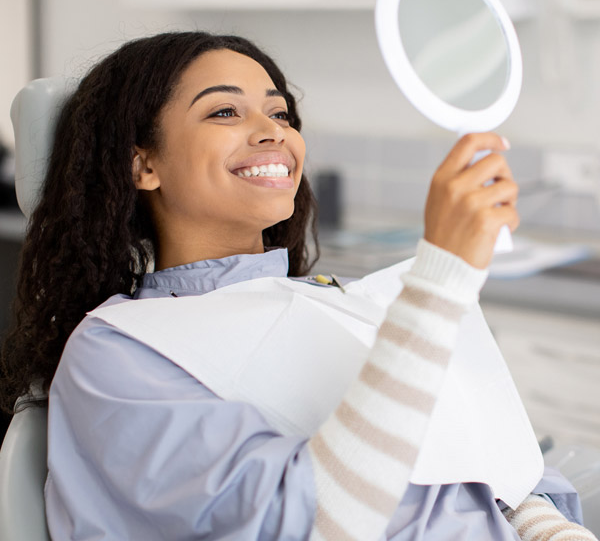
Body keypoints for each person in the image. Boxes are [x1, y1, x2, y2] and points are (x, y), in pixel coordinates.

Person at [0, 31, 595, 541]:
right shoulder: (119, 351)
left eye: (279, 113)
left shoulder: (337, 301)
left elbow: (498, 468)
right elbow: (314, 524)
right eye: (224, 112)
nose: (272, 133)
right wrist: (440, 281)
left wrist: (547, 525)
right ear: (143, 165)